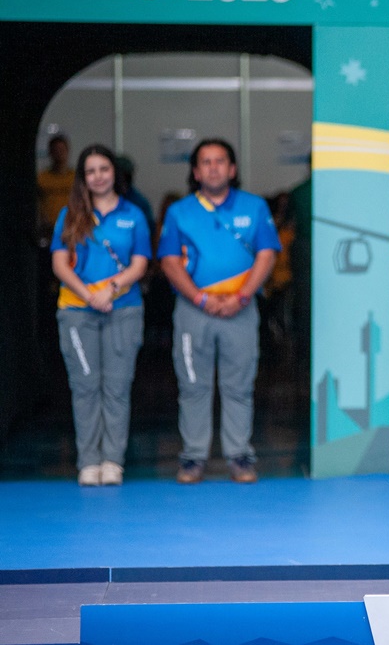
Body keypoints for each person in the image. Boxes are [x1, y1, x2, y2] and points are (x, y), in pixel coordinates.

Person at [158, 138, 280, 485]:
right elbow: (168, 261)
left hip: (239, 308)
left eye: (220, 161)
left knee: (238, 385)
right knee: (193, 385)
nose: (213, 167)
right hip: (193, 309)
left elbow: (267, 255)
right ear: (195, 172)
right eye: (206, 162)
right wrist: (200, 299)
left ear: (232, 169)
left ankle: (239, 456)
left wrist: (241, 297)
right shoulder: (179, 211)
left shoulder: (255, 207)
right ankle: (193, 457)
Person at [50, 144, 151, 486]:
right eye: (90, 171)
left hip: (123, 309)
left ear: (114, 174)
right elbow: (59, 264)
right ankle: (88, 461)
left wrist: (111, 290)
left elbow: (140, 264)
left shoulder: (133, 215)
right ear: (83, 177)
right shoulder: (70, 215)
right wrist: (89, 295)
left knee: (117, 387)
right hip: (77, 311)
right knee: (85, 386)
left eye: (103, 169)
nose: (98, 176)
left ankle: (113, 461)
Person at [38, 134, 75, 242]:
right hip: (49, 231)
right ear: (50, 152)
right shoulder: (42, 178)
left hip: (71, 228)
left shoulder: (75, 178)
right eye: (56, 150)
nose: (59, 154)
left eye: (62, 150)